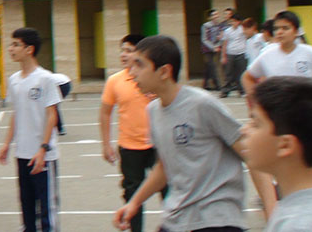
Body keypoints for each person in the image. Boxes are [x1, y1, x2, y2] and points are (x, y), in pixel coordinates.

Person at [113, 35, 275, 232]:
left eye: (139, 65)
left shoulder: (202, 104)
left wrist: (273, 215)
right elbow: (164, 166)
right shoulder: (153, 111)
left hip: (217, 219)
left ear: (164, 71)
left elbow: (251, 155)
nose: (131, 72)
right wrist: (134, 203)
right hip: (178, 217)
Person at [0, 28, 62, 232]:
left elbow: (52, 116)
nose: (11, 49)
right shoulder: (14, 80)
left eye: (16, 44)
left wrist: (43, 149)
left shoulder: (46, 78)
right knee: (26, 208)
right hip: (22, 154)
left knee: (47, 209)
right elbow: (16, 114)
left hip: (43, 156)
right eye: (11, 44)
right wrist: (6, 144)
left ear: (29, 49)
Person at [100, 34, 165, 232]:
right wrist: (106, 144)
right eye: (122, 50)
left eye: (129, 50)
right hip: (129, 147)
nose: (123, 55)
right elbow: (105, 112)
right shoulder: (114, 81)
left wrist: (156, 95)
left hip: (158, 144)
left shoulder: (154, 78)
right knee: (132, 193)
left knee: (168, 189)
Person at [240, 76, 312, 232]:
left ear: (285, 145)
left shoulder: (299, 224)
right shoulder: (295, 210)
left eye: (256, 124)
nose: (244, 130)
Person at [243, 10, 312, 98]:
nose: (280, 32)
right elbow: (247, 77)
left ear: (296, 31)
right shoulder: (267, 54)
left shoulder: (309, 52)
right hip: (277, 105)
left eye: (285, 28)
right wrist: (255, 101)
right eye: (276, 29)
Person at [220, 13, 247, 98]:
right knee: (228, 73)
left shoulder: (243, 29)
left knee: (241, 73)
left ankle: (242, 91)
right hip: (230, 53)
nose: (233, 23)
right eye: (232, 21)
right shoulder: (227, 31)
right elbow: (225, 44)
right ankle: (225, 91)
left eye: (235, 21)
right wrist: (223, 56)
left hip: (241, 53)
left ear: (239, 22)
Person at [200, 9, 223, 91]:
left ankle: (205, 85)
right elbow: (204, 39)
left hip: (216, 48)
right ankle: (217, 85)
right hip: (207, 49)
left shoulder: (219, 26)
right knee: (212, 66)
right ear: (210, 17)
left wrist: (218, 45)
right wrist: (213, 47)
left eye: (217, 14)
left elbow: (221, 37)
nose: (216, 16)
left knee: (208, 66)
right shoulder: (205, 26)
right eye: (214, 15)